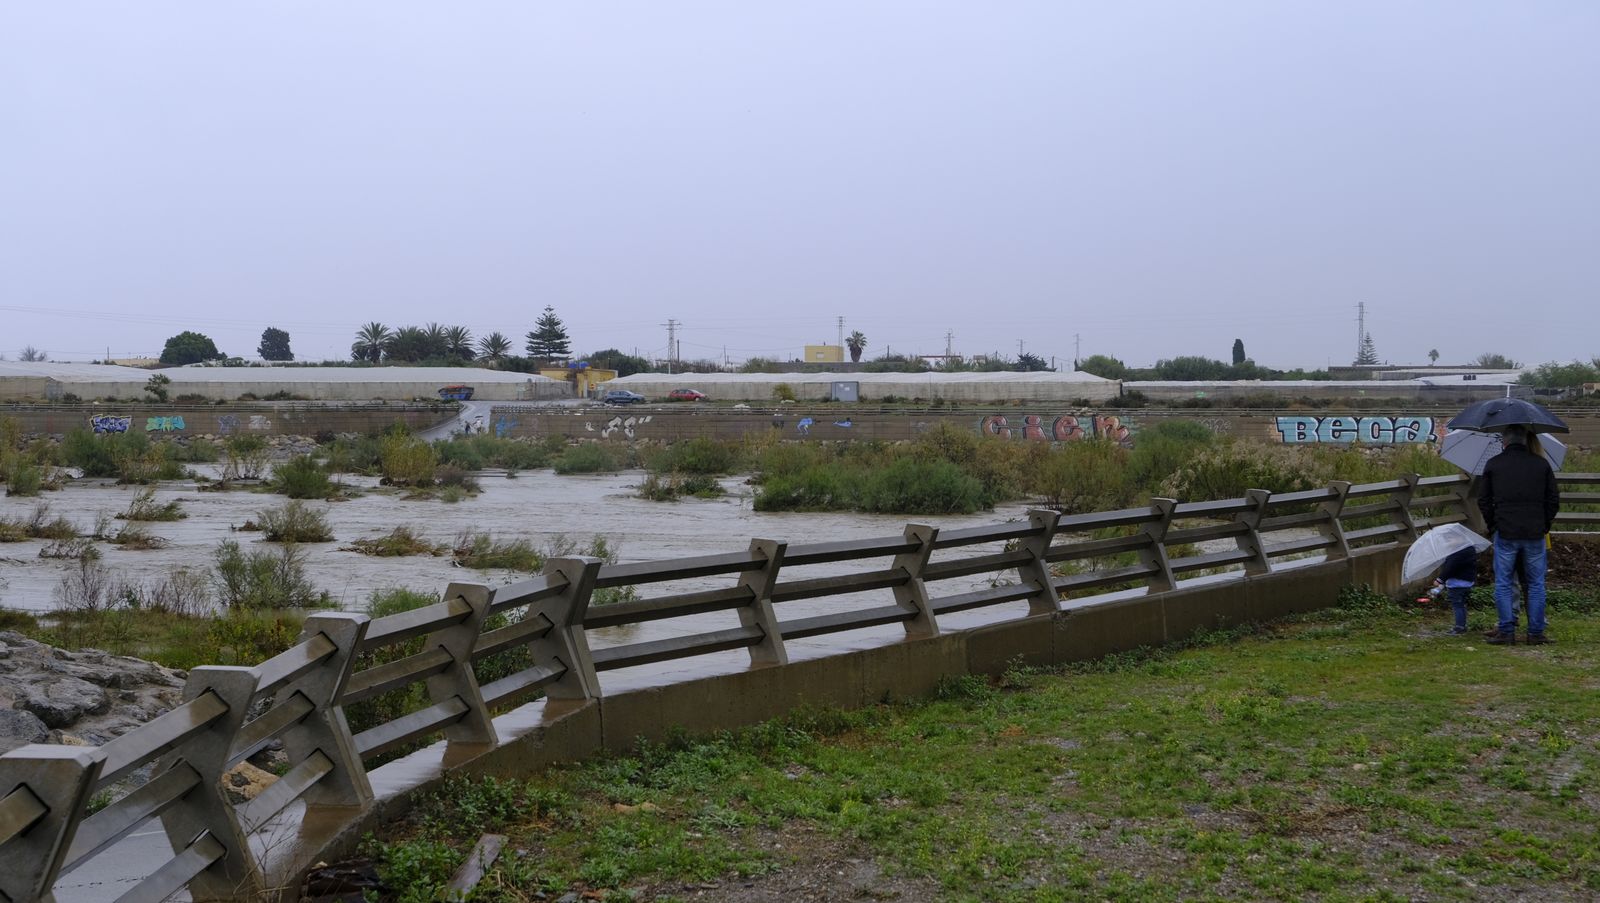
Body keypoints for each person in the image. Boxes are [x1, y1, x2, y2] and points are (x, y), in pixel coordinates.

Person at [1477, 424, 1561, 645]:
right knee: (1536, 584)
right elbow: (1553, 499)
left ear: (1504, 441)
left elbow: (1484, 500)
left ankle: (1506, 630)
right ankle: (1535, 632)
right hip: (1534, 532)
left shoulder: (1494, 465)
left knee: (1504, 582)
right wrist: (1544, 524)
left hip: (1506, 531)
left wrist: (1493, 525)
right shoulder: (1541, 464)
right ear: (1525, 439)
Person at [1432, 545, 1478, 635]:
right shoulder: (1470, 549)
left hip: (1456, 584)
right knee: (1461, 604)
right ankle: (1462, 625)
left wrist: (1439, 580)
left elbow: (1449, 568)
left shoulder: (1456, 553)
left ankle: (1459, 627)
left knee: (1457, 606)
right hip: (1468, 582)